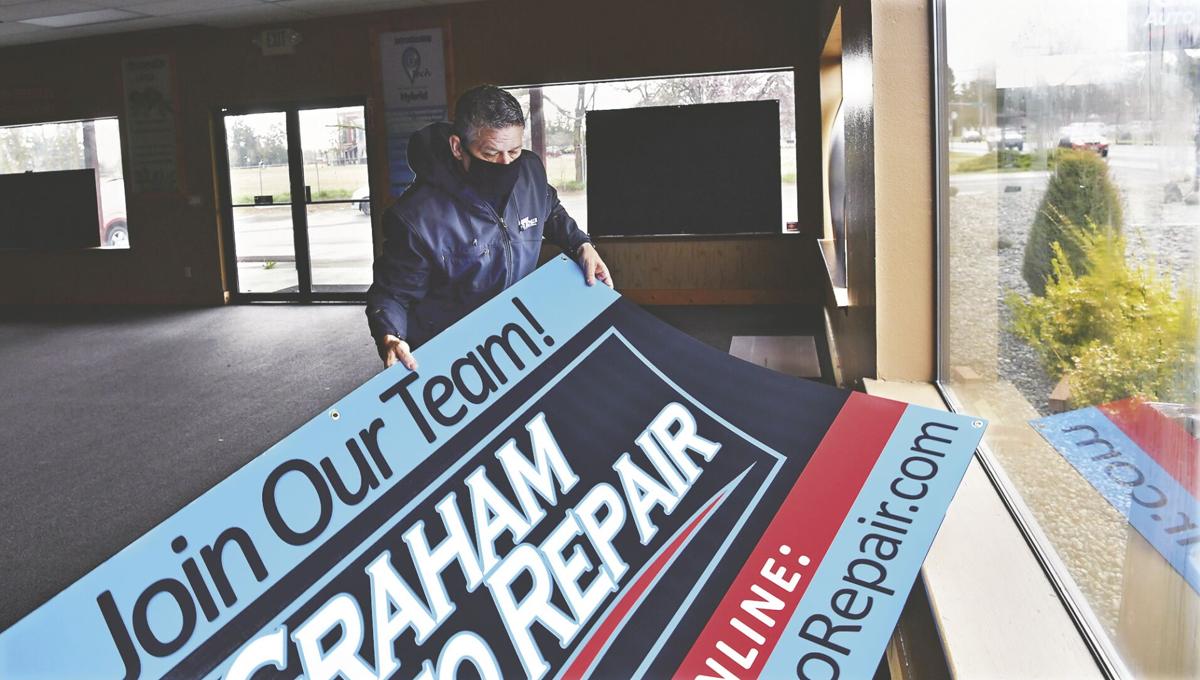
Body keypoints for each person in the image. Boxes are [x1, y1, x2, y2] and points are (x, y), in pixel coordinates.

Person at [366, 85, 612, 370]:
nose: (506, 163)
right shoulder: (415, 217)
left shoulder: (529, 170)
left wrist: (581, 244)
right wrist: (390, 335)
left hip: (514, 331)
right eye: (491, 153)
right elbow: (393, 293)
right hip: (450, 350)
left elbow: (550, 209)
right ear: (458, 147)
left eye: (515, 151)